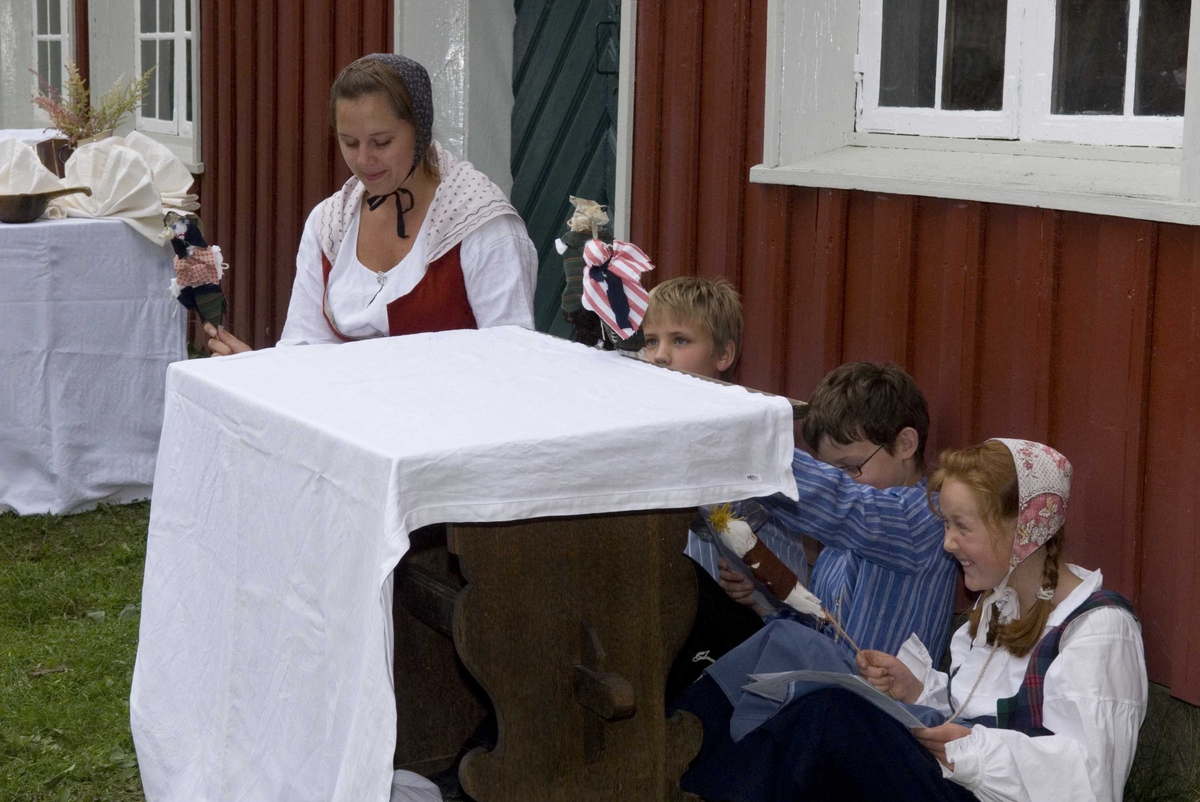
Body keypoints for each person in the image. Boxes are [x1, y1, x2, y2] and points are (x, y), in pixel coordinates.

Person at [674, 439, 1148, 802]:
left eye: (962, 527)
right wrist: (918, 689)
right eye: (946, 525)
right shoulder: (995, 609)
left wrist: (969, 750)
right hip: (957, 778)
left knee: (834, 718)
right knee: (799, 674)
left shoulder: (1097, 628)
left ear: (1023, 531)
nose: (947, 544)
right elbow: (972, 706)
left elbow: (1091, 782)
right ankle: (676, 761)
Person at [205, 53, 536, 355]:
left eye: (382, 142)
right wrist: (253, 370)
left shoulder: (480, 223)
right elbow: (304, 350)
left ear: (420, 130)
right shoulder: (329, 224)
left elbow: (511, 357)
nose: (364, 160)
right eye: (349, 142)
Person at [721, 362, 960, 664]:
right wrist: (759, 601)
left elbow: (843, 504)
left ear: (905, 444)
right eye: (828, 469)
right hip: (829, 691)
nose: (840, 479)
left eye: (850, 467)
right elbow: (819, 636)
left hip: (883, 706)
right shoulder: (836, 545)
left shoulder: (927, 517)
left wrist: (742, 447)